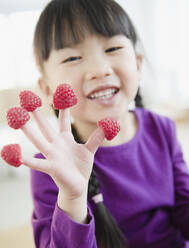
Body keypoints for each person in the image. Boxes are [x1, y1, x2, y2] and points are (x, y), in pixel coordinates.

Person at [19, 0, 189, 247]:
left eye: (112, 49)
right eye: (73, 58)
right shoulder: (49, 167)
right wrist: (72, 197)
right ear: (47, 88)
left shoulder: (162, 128)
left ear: (138, 65)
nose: (99, 70)